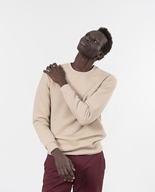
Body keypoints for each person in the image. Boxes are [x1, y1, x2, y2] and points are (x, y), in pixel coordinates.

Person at [32, 27, 117, 192]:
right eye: (87, 35)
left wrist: (63, 83)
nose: (87, 38)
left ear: (99, 55)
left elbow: (85, 116)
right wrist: (55, 152)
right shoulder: (52, 73)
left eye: (94, 41)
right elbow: (39, 119)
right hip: (57, 156)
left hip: (91, 159)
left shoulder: (106, 80)